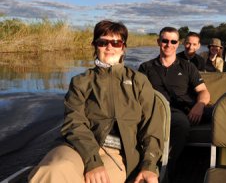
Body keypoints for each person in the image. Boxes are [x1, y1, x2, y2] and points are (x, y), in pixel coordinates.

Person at [29, 20, 163, 183]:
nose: (109, 47)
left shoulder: (139, 81)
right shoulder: (80, 81)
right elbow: (74, 122)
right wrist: (92, 161)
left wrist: (149, 165)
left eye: (116, 42)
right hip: (76, 147)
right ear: (95, 45)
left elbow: (152, 128)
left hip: (119, 153)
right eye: (102, 42)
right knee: (53, 171)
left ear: (123, 47)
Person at [138, 27, 211, 181]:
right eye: (165, 40)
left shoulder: (187, 66)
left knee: (221, 114)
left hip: (187, 107)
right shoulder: (146, 67)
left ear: (178, 44)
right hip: (160, 109)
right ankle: (166, 170)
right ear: (159, 42)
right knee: (181, 123)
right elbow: (138, 96)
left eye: (173, 41)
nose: (168, 44)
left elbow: (203, 91)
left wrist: (200, 105)